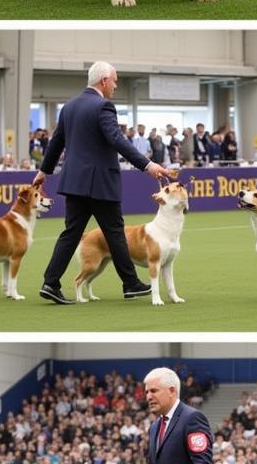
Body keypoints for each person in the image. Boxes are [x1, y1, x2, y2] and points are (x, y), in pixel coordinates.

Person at [33, 61, 173, 304]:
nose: (116, 86)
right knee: (115, 232)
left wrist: (44, 171)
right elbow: (117, 140)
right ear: (104, 80)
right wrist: (148, 165)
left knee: (70, 233)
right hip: (100, 183)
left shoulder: (69, 107)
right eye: (115, 80)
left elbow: (56, 142)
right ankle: (130, 283)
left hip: (75, 182)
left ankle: (50, 283)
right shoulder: (104, 106)